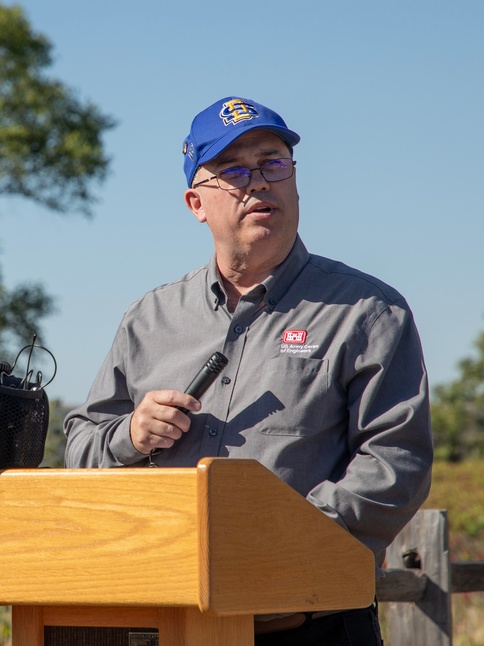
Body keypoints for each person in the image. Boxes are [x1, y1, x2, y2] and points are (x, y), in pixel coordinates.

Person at [63, 96, 433, 644]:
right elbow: (80, 448)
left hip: (311, 624)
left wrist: (283, 535)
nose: (258, 182)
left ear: (295, 182)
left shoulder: (368, 311)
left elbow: (395, 461)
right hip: (164, 622)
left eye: (273, 163)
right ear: (196, 202)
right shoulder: (149, 319)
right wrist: (129, 437)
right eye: (233, 170)